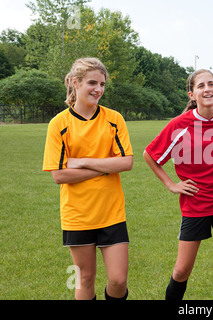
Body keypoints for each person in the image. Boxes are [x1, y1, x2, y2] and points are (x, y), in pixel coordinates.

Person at [143, 69, 213, 300]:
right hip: (195, 204)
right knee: (182, 269)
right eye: (201, 86)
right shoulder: (180, 125)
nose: (207, 89)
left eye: (211, 84)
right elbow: (150, 155)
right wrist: (171, 185)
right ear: (192, 94)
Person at [42, 57, 133, 300]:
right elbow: (59, 175)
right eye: (92, 82)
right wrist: (106, 167)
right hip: (78, 215)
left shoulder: (114, 119)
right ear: (75, 83)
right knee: (85, 279)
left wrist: (82, 161)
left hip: (111, 212)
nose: (99, 89)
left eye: (102, 84)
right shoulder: (58, 124)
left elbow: (126, 162)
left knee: (118, 280)